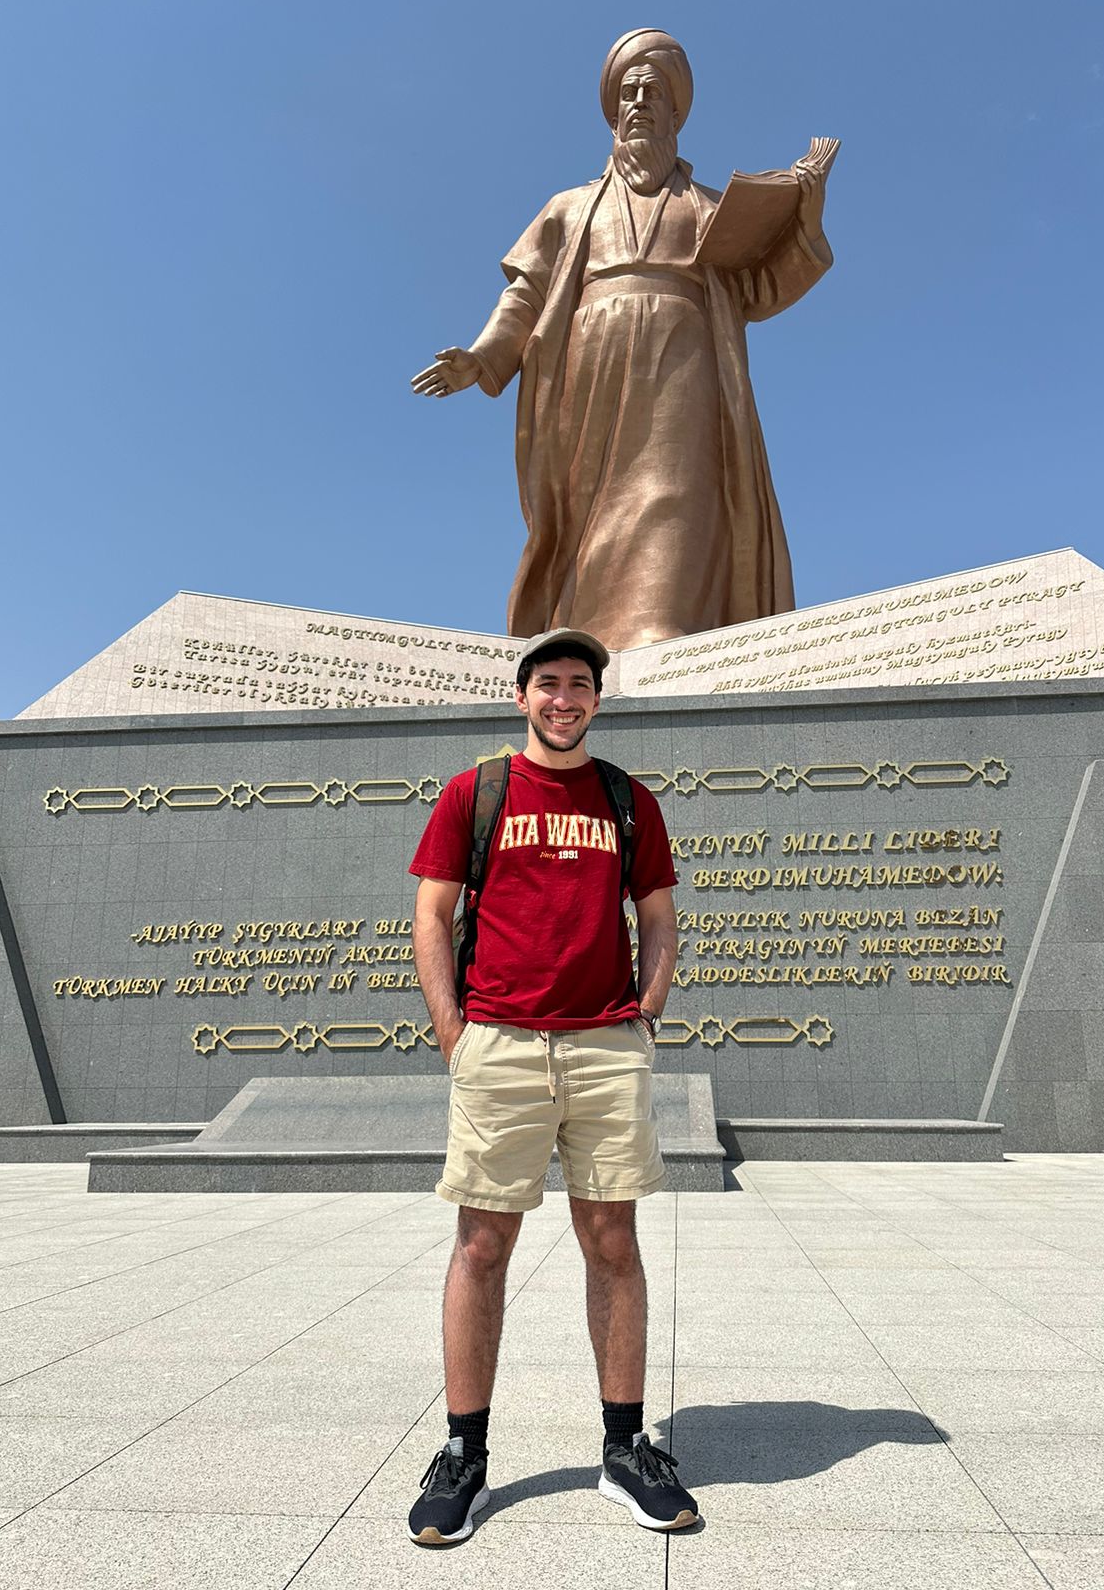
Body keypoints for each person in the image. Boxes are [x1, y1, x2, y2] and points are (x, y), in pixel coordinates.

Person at [405, 626, 696, 1544]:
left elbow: (657, 914)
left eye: (580, 685)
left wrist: (644, 1010)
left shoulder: (627, 800)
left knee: (613, 1239)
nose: (564, 698)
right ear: (521, 696)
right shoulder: (476, 792)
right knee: (482, 1245)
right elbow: (432, 911)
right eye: (549, 684)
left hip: (605, 1046)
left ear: (597, 701)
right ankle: (464, 1454)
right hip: (501, 1044)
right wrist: (455, 1032)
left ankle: (623, 1449)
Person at [411, 28, 835, 650]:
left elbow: (758, 290)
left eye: (653, 92)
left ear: (675, 112)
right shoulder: (571, 207)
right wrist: (483, 356)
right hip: (586, 369)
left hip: (684, 360)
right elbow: (527, 295)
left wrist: (807, 218)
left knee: (675, 491)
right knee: (588, 519)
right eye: (629, 92)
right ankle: (583, 645)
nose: (639, 102)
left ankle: (664, 636)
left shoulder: (711, 208)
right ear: (614, 111)